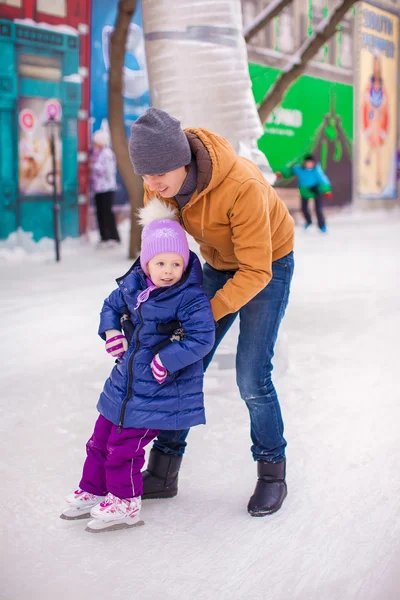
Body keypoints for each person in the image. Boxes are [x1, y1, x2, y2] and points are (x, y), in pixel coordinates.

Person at [128, 107, 295, 517]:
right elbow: (160, 248)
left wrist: (202, 313)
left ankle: (272, 473)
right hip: (217, 264)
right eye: (145, 176)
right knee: (183, 362)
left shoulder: (242, 184)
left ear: (182, 160)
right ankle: (164, 472)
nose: (151, 186)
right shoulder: (159, 184)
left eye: (158, 175)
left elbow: (256, 270)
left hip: (268, 265)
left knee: (251, 375)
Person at [60, 199, 215, 532]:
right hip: (123, 384)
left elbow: (202, 337)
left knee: (123, 450)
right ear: (146, 263)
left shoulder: (188, 296)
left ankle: (125, 502)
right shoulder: (134, 286)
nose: (169, 271)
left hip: (158, 391)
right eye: (160, 263)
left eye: (176, 263)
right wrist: (112, 331)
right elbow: (109, 307)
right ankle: (93, 488)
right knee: (99, 440)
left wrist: (166, 359)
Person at [277, 154, 332, 232]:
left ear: (314, 163)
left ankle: (322, 225)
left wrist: (327, 190)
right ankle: (308, 221)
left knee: (318, 209)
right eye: (307, 163)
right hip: (304, 191)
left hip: (315, 190)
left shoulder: (317, 170)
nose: (309, 165)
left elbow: (323, 180)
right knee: (304, 208)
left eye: (311, 163)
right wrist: (282, 174)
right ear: (304, 163)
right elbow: (290, 171)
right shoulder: (299, 170)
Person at [363, 54, 389, 189]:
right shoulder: (371, 84)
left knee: (377, 145)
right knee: (376, 142)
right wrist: (373, 109)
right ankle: (369, 156)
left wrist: (379, 111)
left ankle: (377, 173)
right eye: (376, 64)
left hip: (378, 119)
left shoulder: (382, 86)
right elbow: (366, 98)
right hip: (372, 117)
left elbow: (385, 102)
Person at [91, 130, 120, 245]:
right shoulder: (99, 153)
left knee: (107, 212)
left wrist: (95, 168)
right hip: (99, 188)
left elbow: (108, 170)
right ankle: (104, 236)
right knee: (100, 212)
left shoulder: (107, 154)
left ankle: (113, 236)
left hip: (107, 188)